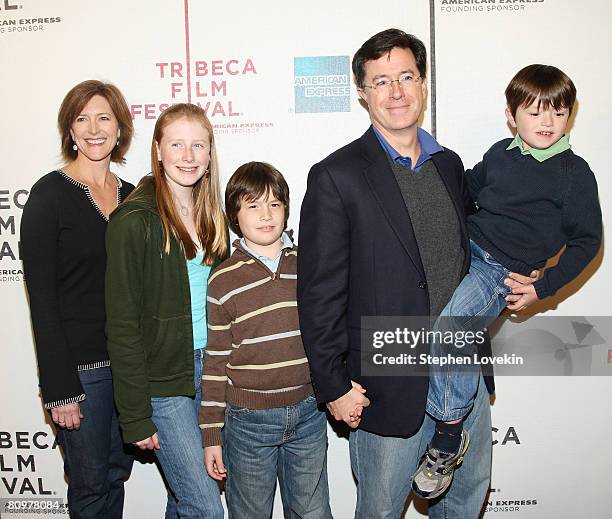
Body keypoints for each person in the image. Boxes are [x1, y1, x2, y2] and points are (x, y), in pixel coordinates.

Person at [297, 29, 535, 519]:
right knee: (381, 511)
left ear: (424, 84)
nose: (397, 92)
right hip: (386, 383)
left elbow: (478, 254)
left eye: (406, 77)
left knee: (466, 502)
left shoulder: (450, 166)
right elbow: (318, 295)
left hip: (460, 372)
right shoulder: (335, 175)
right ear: (362, 93)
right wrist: (333, 385)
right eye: (381, 81)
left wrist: (527, 282)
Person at [411, 64, 602, 499]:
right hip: (464, 250)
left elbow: (588, 241)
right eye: (534, 112)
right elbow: (467, 190)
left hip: (499, 272)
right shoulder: (501, 152)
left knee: (453, 329)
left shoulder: (574, 175)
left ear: (569, 116)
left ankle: (448, 433)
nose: (547, 122)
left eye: (557, 111)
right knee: (415, 319)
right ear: (512, 116)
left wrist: (543, 286)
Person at [105, 103, 227, 519]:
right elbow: (122, 326)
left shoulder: (214, 217)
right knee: (205, 506)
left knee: (183, 500)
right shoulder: (133, 221)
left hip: (210, 372)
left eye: (198, 145)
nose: (188, 156)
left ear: (210, 154)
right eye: (177, 144)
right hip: (163, 381)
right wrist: (135, 414)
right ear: (158, 150)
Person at [21, 80, 135, 518]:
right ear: (70, 130)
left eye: (104, 117)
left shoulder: (132, 197)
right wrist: (59, 387)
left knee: (115, 477)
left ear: (119, 128)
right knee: (89, 485)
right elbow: (42, 300)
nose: (93, 128)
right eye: (82, 118)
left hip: (127, 368)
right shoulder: (49, 195)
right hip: (80, 378)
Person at [200, 161, 332, 519]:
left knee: (313, 512)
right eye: (253, 205)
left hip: (308, 412)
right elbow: (215, 362)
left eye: (274, 203)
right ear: (234, 215)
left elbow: (331, 332)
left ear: (287, 210)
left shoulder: (309, 263)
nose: (265, 214)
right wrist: (212, 434)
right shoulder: (224, 279)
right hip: (248, 422)